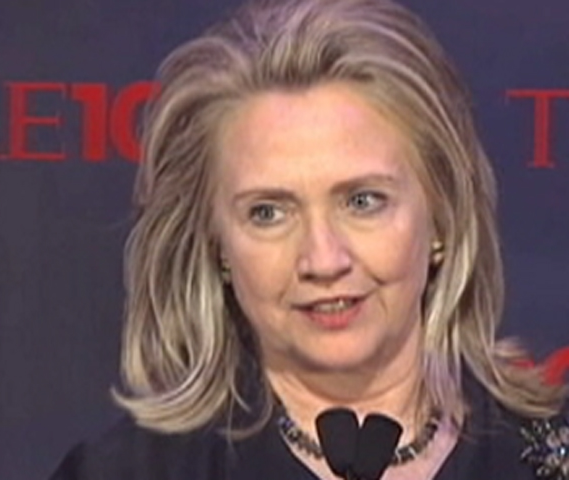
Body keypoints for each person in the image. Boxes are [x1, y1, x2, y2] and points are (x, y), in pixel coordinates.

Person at [50, 0, 569, 479]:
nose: (323, 259)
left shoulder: (544, 454)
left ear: (442, 217)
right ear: (217, 245)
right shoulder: (128, 472)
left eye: (362, 201)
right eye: (268, 213)